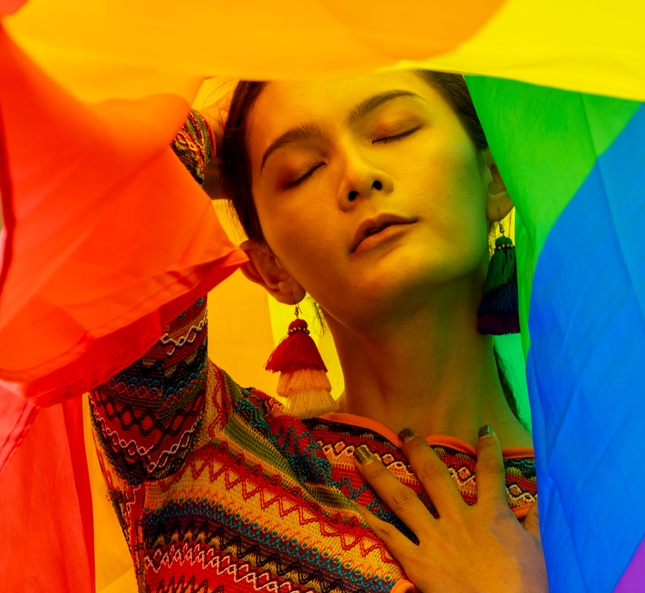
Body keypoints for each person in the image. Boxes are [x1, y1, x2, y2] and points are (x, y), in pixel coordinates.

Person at [87, 71, 547, 592]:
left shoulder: (604, 504)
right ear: (271, 268)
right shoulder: (197, 450)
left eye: (392, 132)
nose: (358, 175)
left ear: (495, 176)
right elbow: (97, 184)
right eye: (301, 170)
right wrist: (221, 134)